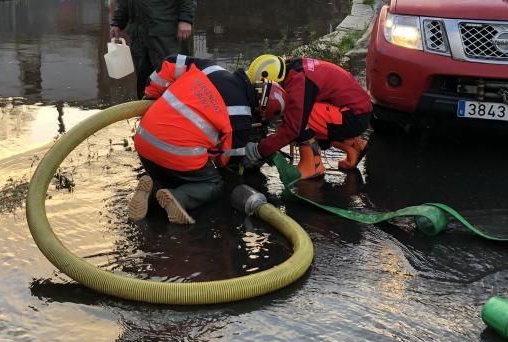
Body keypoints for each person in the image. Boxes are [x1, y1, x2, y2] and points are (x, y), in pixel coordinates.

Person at [128, 54, 256, 224]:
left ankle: (152, 190)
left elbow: (169, 64)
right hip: (178, 155)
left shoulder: (211, 68)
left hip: (144, 139)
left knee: (169, 175)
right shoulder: (242, 115)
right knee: (213, 183)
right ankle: (179, 198)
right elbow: (228, 160)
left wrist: (151, 95)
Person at [243, 54, 373, 179]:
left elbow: (293, 129)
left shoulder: (298, 80)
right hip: (356, 112)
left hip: (354, 116)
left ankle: (312, 166)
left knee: (299, 117)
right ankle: (353, 146)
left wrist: (258, 150)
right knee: (300, 113)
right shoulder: (295, 69)